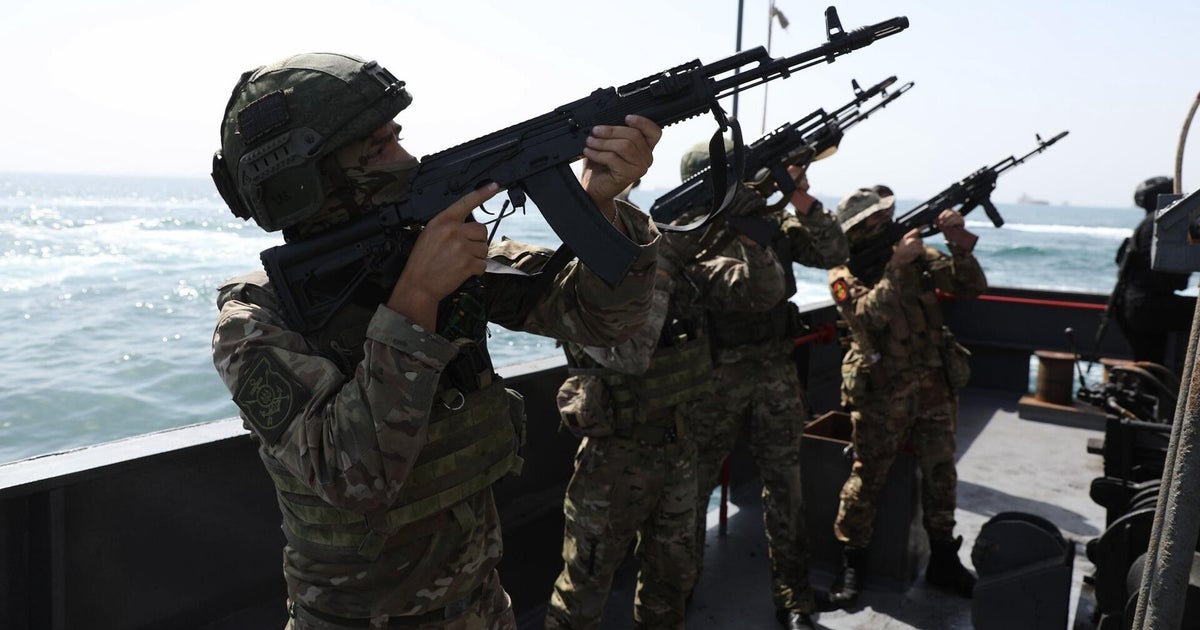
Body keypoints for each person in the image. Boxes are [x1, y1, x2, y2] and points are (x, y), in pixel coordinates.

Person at [208, 52, 663, 630]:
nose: (407, 160)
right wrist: (417, 299)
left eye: (397, 138)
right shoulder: (255, 321)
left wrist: (602, 206)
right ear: (304, 181)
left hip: (482, 606)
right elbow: (355, 477)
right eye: (379, 148)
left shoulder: (425, 248)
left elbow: (605, 320)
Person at [545, 186, 789, 629]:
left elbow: (763, 293)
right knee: (584, 587)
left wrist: (751, 238)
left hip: (680, 448)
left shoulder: (685, 272)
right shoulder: (589, 281)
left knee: (671, 580)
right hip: (614, 459)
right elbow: (630, 355)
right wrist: (663, 265)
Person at [680, 143, 849, 630]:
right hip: (714, 374)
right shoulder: (689, 230)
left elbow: (835, 252)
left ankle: (794, 597)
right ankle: (677, 587)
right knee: (691, 489)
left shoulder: (773, 221)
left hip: (774, 368)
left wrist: (801, 199)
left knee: (785, 486)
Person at [824, 186, 984, 608]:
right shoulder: (843, 271)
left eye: (887, 215)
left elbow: (971, 287)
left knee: (941, 473)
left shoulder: (920, 257)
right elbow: (865, 318)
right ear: (857, 229)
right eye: (876, 219)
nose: (887, 222)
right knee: (867, 477)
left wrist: (958, 243)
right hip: (882, 388)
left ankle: (943, 558)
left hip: (932, 383)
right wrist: (896, 267)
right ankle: (852, 561)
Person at [1112, 176, 1194, 371]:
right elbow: (1165, 276)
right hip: (1148, 306)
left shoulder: (1148, 223)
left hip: (1132, 306)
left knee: (1150, 365)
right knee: (1151, 367)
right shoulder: (1161, 221)